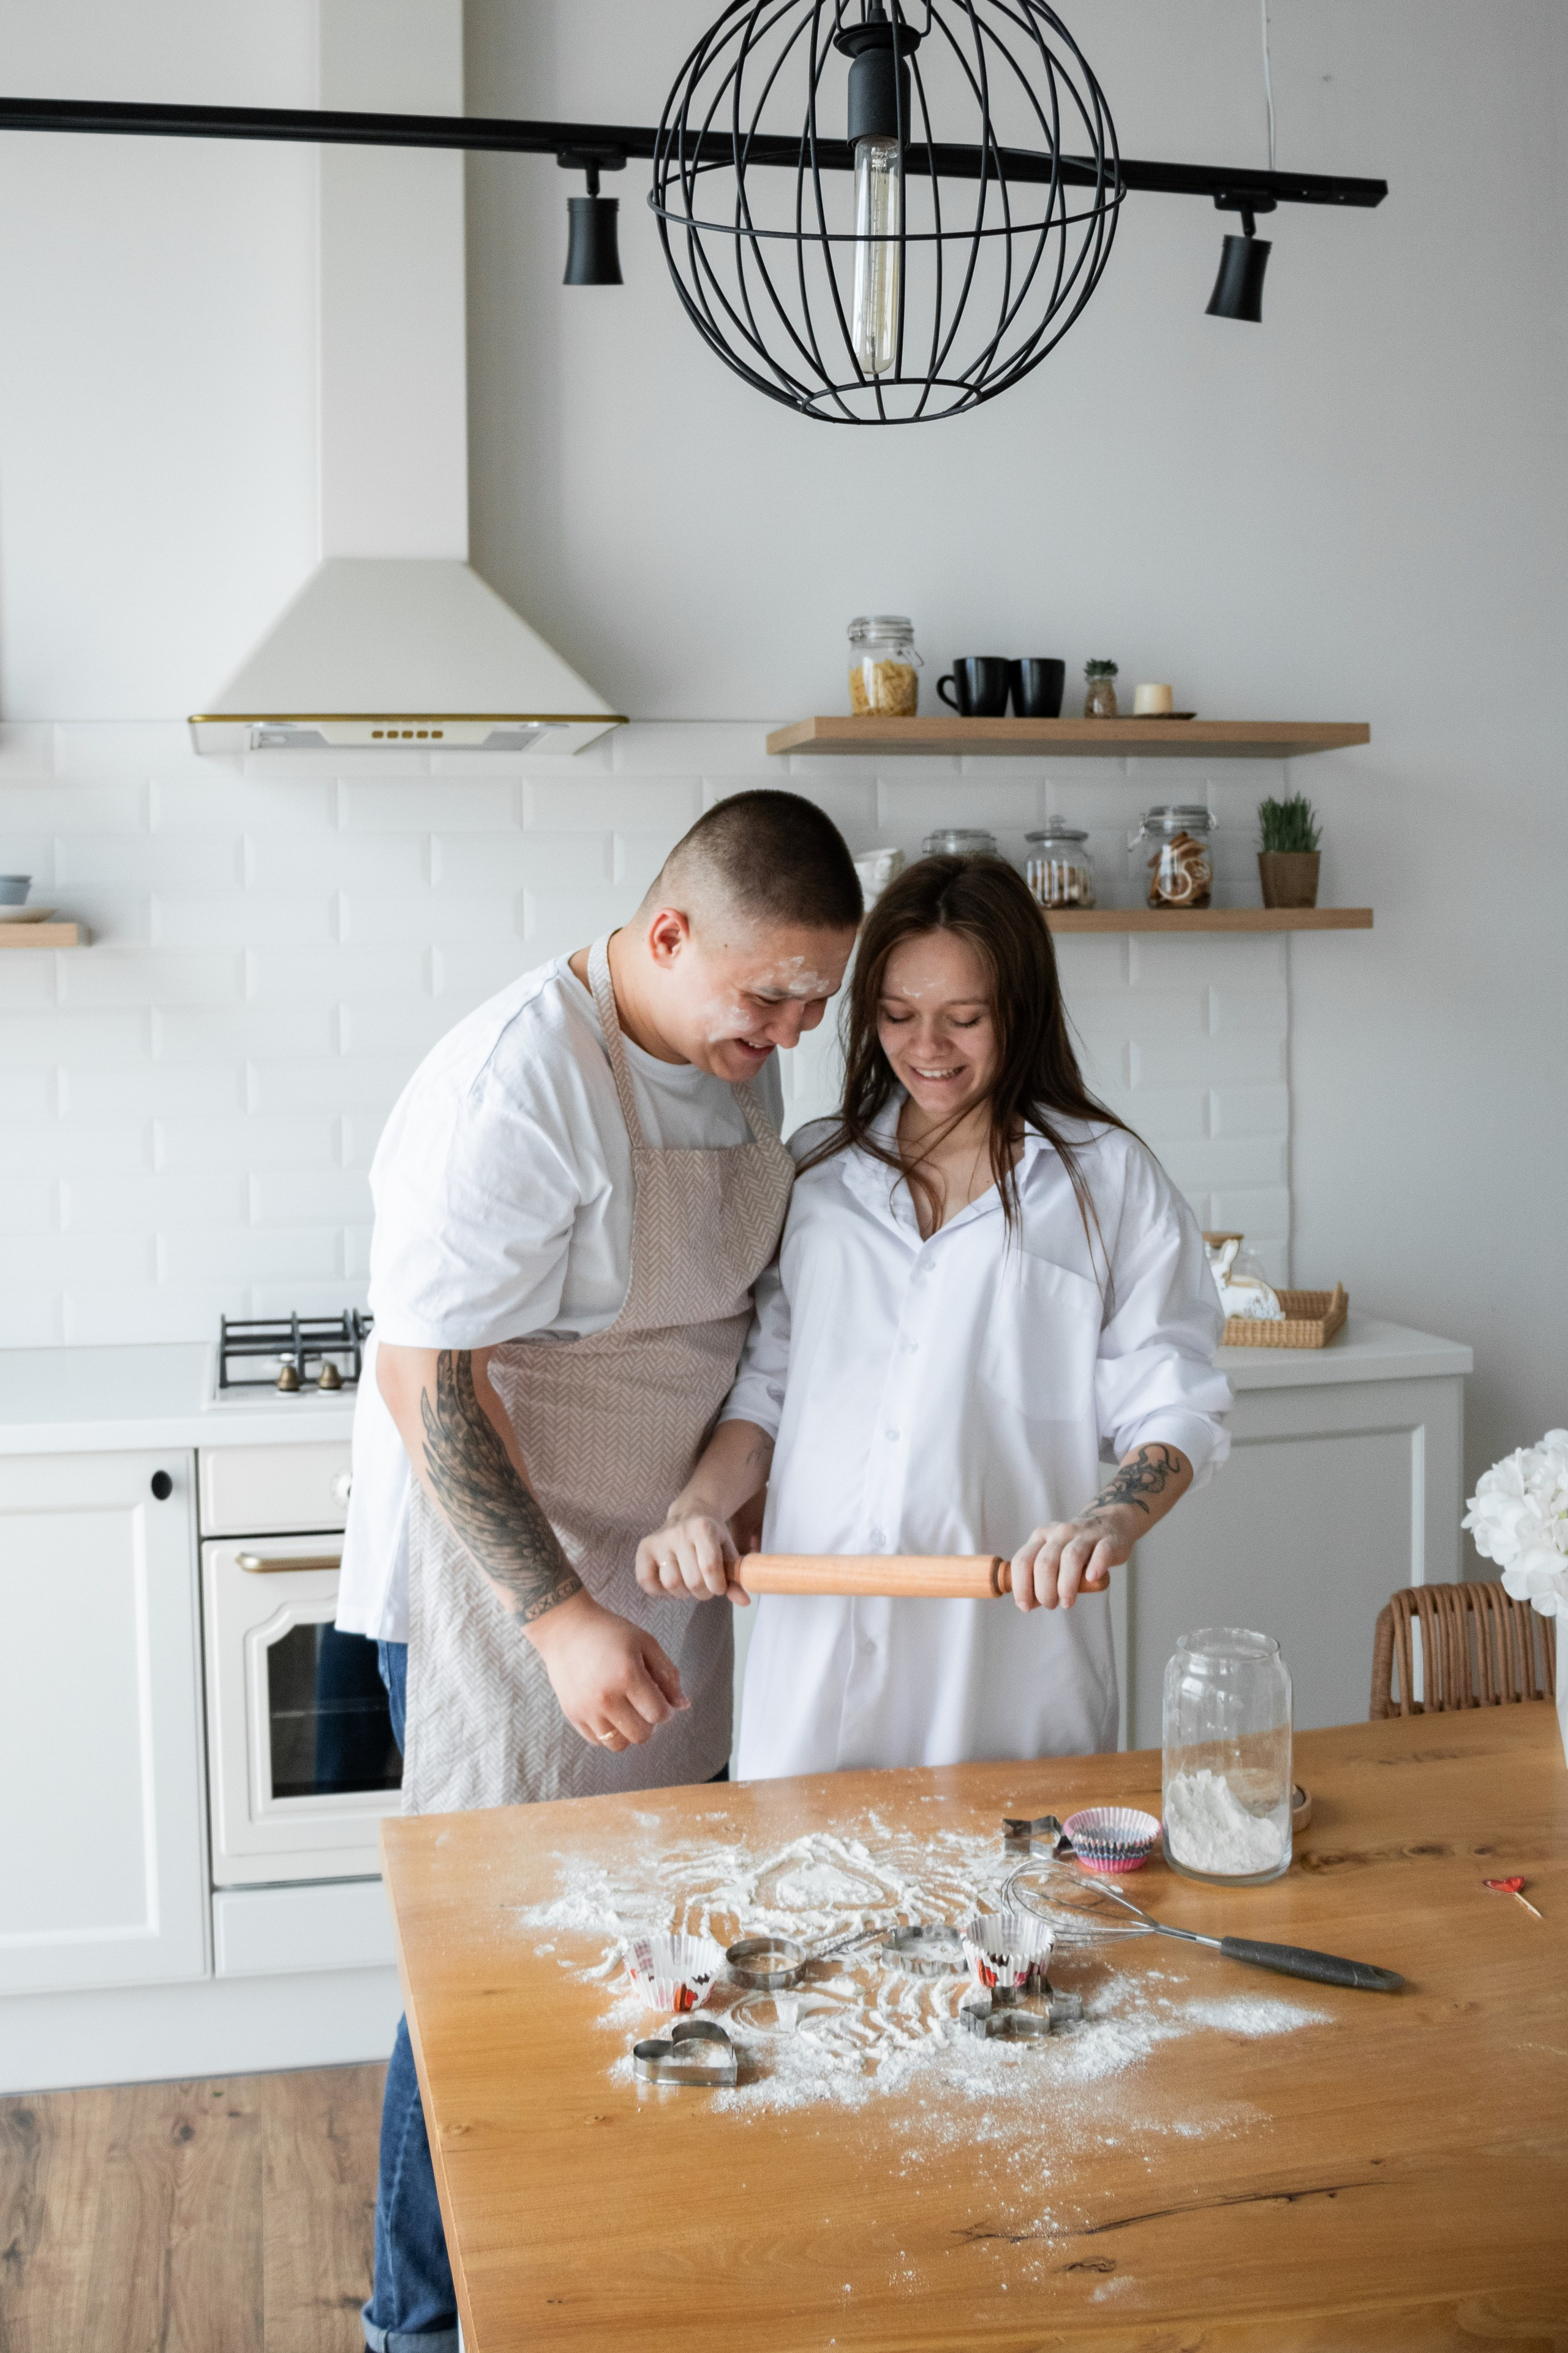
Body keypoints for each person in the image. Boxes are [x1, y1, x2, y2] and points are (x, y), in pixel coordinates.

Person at [334, 790, 861, 2353]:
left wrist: (717, 1499)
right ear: (667, 930)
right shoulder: (519, 1087)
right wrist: (560, 1614)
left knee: (651, 1951)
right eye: (767, 996)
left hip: (660, 1575)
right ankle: (417, 2330)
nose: (784, 1034)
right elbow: (426, 1378)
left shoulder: (728, 1055)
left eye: (812, 1007)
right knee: (485, 1981)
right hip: (502, 1603)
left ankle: (599, 2295)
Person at [635, 853, 1232, 1775]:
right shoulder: (818, 1173)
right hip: (817, 1649)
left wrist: (1106, 1523)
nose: (929, 1047)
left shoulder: (1106, 1181)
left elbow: (1176, 1402)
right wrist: (699, 1508)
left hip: (1005, 1653)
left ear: (1020, 1010)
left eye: (965, 1018)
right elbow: (773, 1383)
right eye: (899, 1016)